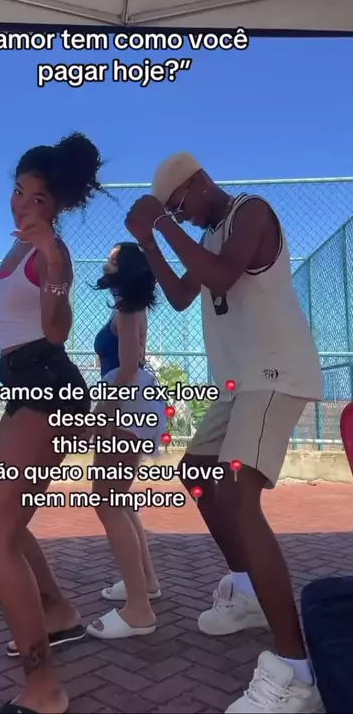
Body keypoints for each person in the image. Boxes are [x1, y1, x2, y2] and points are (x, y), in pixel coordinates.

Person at [125, 152, 325, 714]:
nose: (181, 217)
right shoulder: (209, 235)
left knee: (238, 497)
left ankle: (297, 672)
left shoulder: (251, 212)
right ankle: (248, 591)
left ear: (196, 184)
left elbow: (220, 276)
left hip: (274, 374)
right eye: (172, 212)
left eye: (178, 206)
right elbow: (181, 295)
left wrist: (159, 222)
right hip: (239, 386)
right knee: (196, 473)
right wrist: (149, 240)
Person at [0, 134, 104, 714]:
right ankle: (57, 611)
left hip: (48, 390)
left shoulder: (52, 252)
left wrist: (53, 259)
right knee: (11, 524)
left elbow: (55, 330)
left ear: (56, 205)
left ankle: (44, 688)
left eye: (37, 198)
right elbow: (14, 321)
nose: (23, 205)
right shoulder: (16, 249)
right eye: (18, 191)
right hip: (23, 387)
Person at [86, 242, 164, 641]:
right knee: (117, 498)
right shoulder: (126, 305)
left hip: (126, 403)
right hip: (132, 402)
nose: (106, 263)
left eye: (112, 259)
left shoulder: (128, 307)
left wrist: (102, 413)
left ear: (125, 267)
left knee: (106, 500)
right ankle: (145, 583)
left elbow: (129, 369)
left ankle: (139, 610)